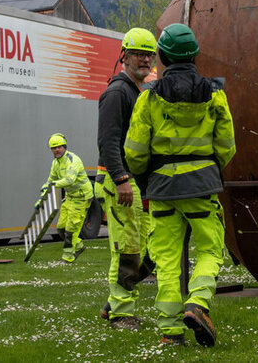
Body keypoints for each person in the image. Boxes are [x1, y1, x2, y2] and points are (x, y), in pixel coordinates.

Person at [125, 23, 236, 347]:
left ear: (162, 56)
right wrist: (209, 170)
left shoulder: (148, 97)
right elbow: (227, 145)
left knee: (167, 260)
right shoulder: (215, 93)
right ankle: (198, 304)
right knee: (210, 250)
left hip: (162, 191)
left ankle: (170, 332)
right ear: (195, 55)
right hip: (201, 187)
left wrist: (147, 177)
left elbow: (134, 152)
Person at [95, 28, 157, 330]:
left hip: (135, 182)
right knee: (127, 249)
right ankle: (121, 313)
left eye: (149, 54)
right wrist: (120, 178)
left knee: (148, 248)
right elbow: (107, 141)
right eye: (139, 53)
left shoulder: (136, 91)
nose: (145, 59)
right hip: (119, 181)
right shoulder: (117, 93)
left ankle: (113, 303)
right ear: (125, 56)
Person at [39, 133, 94, 263]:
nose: (56, 150)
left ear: (64, 147)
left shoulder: (72, 160)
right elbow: (51, 179)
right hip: (69, 198)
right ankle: (79, 246)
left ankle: (68, 257)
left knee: (71, 229)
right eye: (53, 148)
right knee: (61, 228)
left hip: (82, 198)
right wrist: (44, 191)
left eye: (59, 147)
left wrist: (51, 185)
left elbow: (69, 180)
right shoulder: (55, 163)